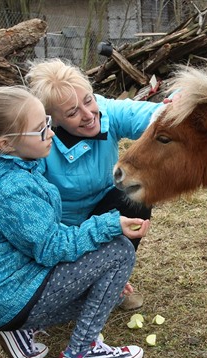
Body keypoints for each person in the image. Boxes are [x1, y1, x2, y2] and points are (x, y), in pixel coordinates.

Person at [0, 86, 150, 358]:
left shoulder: (9, 167)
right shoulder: (11, 188)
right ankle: (81, 353)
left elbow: (40, 234)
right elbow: (51, 247)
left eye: (47, 123)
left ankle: (19, 329)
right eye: (39, 129)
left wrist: (103, 278)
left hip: (7, 298)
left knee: (105, 274)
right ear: (6, 143)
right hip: (14, 298)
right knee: (120, 250)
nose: (50, 133)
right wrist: (109, 225)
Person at [25, 58, 166, 310]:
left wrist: (175, 107)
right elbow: (37, 225)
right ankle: (82, 281)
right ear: (52, 121)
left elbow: (144, 115)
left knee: (137, 193)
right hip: (59, 233)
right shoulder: (39, 144)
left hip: (102, 214)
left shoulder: (104, 111)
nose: (89, 114)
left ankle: (110, 277)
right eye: (72, 112)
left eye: (88, 100)